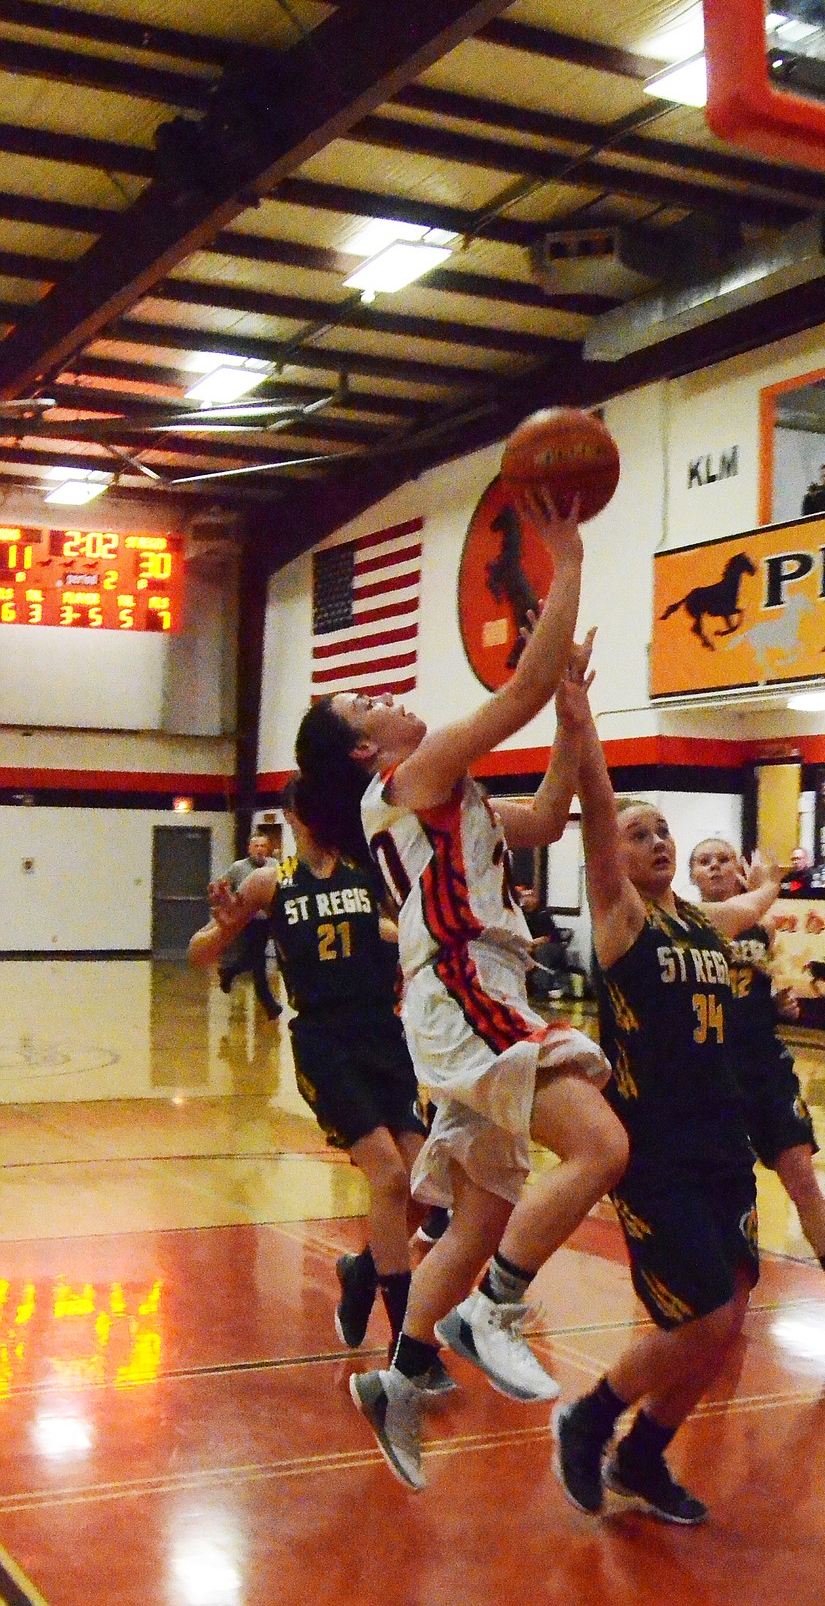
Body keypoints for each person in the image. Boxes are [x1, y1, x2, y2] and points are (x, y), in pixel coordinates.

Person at [294, 496, 626, 1491]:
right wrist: (565, 562)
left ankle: (400, 1373)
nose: (387, 698)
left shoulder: (446, 792)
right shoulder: (411, 773)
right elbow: (513, 691)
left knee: (483, 1212)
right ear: (366, 747)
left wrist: (575, 706)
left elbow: (554, 815)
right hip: (469, 991)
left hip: (462, 998)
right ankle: (497, 1308)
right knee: (602, 1145)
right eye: (366, 703)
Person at [551, 716, 783, 1526]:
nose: (654, 841)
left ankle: (642, 1457)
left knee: (733, 1317)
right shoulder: (623, 920)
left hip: (725, 1143)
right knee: (701, 1318)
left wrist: (772, 879)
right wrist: (578, 725)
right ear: (611, 855)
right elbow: (596, 798)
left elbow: (750, 905)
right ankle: (589, 1415)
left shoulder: (697, 921)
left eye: (662, 831)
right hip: (658, 1148)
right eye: (637, 832)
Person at [188, 775, 444, 1385]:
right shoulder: (270, 881)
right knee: (387, 1174)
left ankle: (361, 1270)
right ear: (294, 814)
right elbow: (200, 953)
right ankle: (408, 1350)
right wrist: (224, 928)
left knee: (422, 1187)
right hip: (326, 1042)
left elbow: (395, 927)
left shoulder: (365, 869)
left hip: (383, 1035)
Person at [687, 839, 825, 1351]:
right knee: (730, 1190)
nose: (715, 866)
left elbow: (764, 980)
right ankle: (724, 1293)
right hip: (710, 1073)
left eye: (723, 858)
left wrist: (779, 997)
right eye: (704, 860)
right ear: (691, 875)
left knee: (802, 1177)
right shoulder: (688, 920)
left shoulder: (764, 926)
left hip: (763, 1067)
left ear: (739, 868)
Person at [218, 832, 281, 1018]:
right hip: (248, 920)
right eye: (256, 846)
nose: (260, 849)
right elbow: (223, 886)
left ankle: (228, 972)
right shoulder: (239, 867)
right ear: (249, 849)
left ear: (268, 848)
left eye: (263, 846)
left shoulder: (275, 865)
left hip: (269, 918)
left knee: (251, 958)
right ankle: (270, 1005)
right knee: (258, 961)